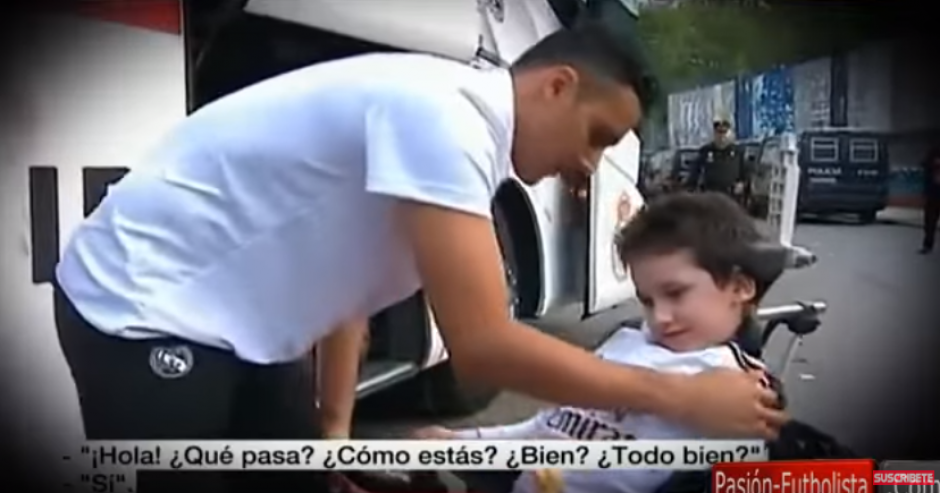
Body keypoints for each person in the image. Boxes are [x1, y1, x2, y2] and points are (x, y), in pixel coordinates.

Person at [52, 20, 785, 492]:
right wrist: (682, 396)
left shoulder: (455, 140)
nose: (589, 165)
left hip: (246, 326)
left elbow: (348, 291)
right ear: (557, 86)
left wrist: (335, 438)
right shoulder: (445, 119)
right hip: (141, 307)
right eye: (596, 134)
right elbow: (486, 348)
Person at [410, 192, 778, 493]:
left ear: (741, 287)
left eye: (676, 293)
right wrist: (461, 441)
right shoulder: (626, 341)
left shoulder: (736, 385)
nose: (661, 316)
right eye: (647, 300)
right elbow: (548, 427)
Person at [686, 119, 748, 202]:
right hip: (710, 197)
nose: (721, 136)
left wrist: (742, 184)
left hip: (731, 197)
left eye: (724, 133)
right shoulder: (706, 151)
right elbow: (695, 172)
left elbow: (745, 173)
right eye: (719, 133)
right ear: (714, 134)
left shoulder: (738, 152)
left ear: (730, 134)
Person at [919, 145, 940, 254]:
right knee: (929, 222)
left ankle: (927, 245)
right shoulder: (933, 152)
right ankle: (927, 245)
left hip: (933, 193)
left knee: (930, 220)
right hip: (933, 194)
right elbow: (924, 165)